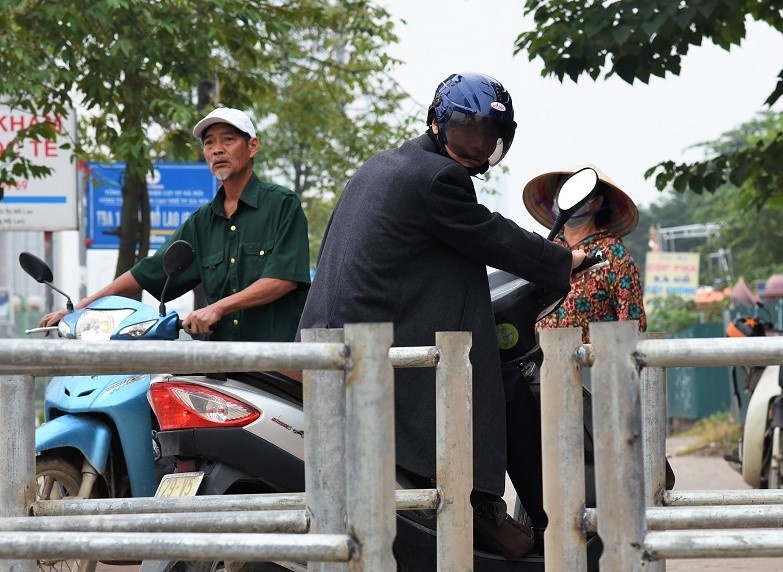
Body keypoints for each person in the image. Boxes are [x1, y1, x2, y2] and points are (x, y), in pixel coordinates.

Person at [296, 72, 587, 559]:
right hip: (382, 344)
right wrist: (563, 260)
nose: (473, 152)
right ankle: (477, 505)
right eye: (464, 135)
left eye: (485, 141)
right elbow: (490, 234)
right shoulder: (436, 177)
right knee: (480, 374)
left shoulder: (382, 166)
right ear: (436, 125)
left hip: (340, 336)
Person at [40, 107, 311, 342]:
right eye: (209, 143)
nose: (217, 149)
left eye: (228, 140)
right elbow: (146, 274)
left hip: (277, 363)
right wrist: (79, 308)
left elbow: (282, 279)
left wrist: (217, 308)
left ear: (252, 146)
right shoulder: (201, 223)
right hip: (224, 366)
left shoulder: (282, 204)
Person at [523, 164, 647, 343]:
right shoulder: (548, 248)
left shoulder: (614, 254)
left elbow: (633, 324)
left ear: (596, 203)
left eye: (579, 195)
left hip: (595, 365)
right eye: (564, 191)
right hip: (544, 364)